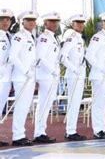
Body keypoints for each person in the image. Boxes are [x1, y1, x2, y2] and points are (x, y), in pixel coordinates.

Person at [85, 12, 105, 139]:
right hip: (99, 76)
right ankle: (97, 130)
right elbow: (89, 55)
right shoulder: (97, 37)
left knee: (103, 104)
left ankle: (103, 128)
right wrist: (100, 67)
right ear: (102, 23)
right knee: (98, 103)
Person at [10, 11, 39, 146]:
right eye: (28, 20)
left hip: (29, 77)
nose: (32, 22)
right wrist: (26, 71)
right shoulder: (19, 36)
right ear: (23, 22)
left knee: (25, 107)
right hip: (22, 77)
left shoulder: (30, 36)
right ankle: (17, 136)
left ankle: (20, 134)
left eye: (33, 20)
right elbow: (13, 56)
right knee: (21, 107)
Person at [33, 12, 62, 144]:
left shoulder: (53, 37)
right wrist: (52, 70)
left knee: (46, 105)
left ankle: (41, 131)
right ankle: (39, 133)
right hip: (46, 75)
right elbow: (40, 56)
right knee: (43, 105)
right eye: (51, 21)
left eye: (56, 21)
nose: (55, 24)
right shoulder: (45, 37)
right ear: (45, 23)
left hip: (51, 75)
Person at [61, 13, 87, 141]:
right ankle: (70, 131)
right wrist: (74, 69)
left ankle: (72, 130)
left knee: (76, 103)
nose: (80, 25)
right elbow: (62, 56)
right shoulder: (71, 36)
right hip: (73, 75)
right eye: (78, 23)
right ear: (73, 24)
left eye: (82, 23)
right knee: (73, 102)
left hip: (79, 75)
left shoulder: (79, 38)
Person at [0, 8, 13, 146]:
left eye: (7, 19)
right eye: (2, 19)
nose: (5, 22)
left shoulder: (9, 36)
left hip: (6, 78)